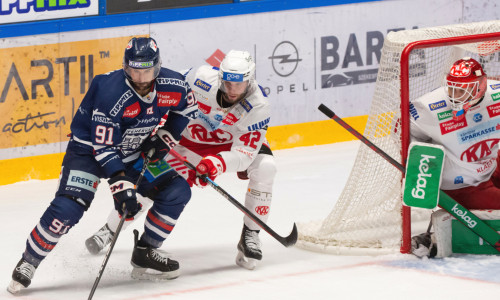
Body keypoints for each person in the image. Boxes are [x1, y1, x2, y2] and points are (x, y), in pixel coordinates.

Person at [7, 37, 198, 294]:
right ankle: (29, 260)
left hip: (132, 150)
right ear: (124, 67)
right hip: (88, 151)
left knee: (176, 190)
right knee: (69, 206)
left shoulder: (174, 84)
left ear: (158, 66)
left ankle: (146, 252)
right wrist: (122, 188)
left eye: (147, 71)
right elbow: (104, 147)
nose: (141, 79)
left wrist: (164, 139)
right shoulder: (110, 90)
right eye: (134, 71)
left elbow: (185, 110)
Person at [85, 50, 275, 270]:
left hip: (230, 147)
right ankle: (110, 229)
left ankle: (251, 234)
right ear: (221, 76)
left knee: (267, 167)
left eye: (238, 85)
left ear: (250, 81)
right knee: (156, 186)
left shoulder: (259, 105)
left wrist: (215, 163)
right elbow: (164, 90)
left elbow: (244, 154)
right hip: (185, 143)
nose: (231, 91)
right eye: (227, 83)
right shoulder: (200, 78)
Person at [409, 57, 500, 257]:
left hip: (491, 163)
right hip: (461, 185)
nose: (454, 96)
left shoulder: (497, 93)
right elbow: (403, 133)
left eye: (461, 90)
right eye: (451, 88)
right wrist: (421, 165)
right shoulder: (429, 108)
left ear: (480, 87)